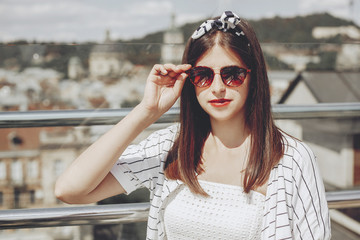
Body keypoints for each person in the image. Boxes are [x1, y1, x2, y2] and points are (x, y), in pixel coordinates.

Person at [55, 11, 331, 239]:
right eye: (203, 75)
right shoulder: (170, 146)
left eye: (232, 74)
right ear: (190, 80)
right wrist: (146, 111)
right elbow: (70, 190)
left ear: (254, 76)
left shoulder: (291, 159)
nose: (218, 88)